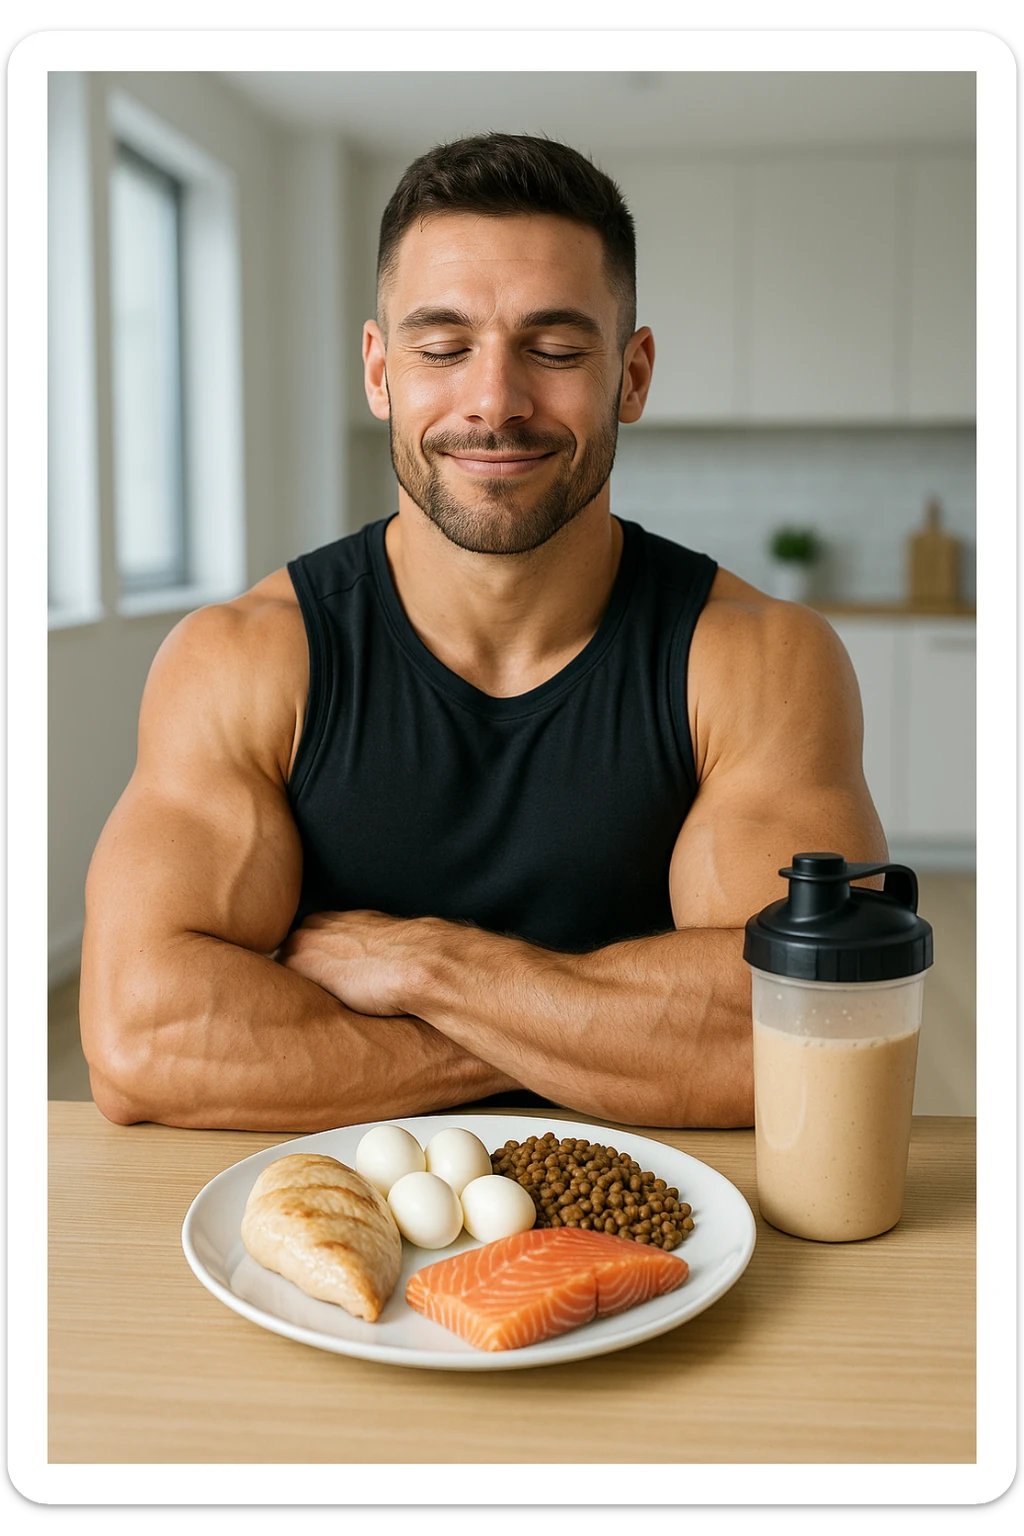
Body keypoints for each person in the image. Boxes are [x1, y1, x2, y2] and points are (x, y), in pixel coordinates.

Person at [80, 132, 887, 1133]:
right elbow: (144, 1043)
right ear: (379, 372)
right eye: (442, 347)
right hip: (326, 1233)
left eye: (553, 350)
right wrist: (584, 1034)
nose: (495, 402)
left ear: (631, 376)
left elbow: (806, 1029)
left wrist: (425, 963)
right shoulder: (244, 659)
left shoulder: (759, 660)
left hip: (669, 1230)